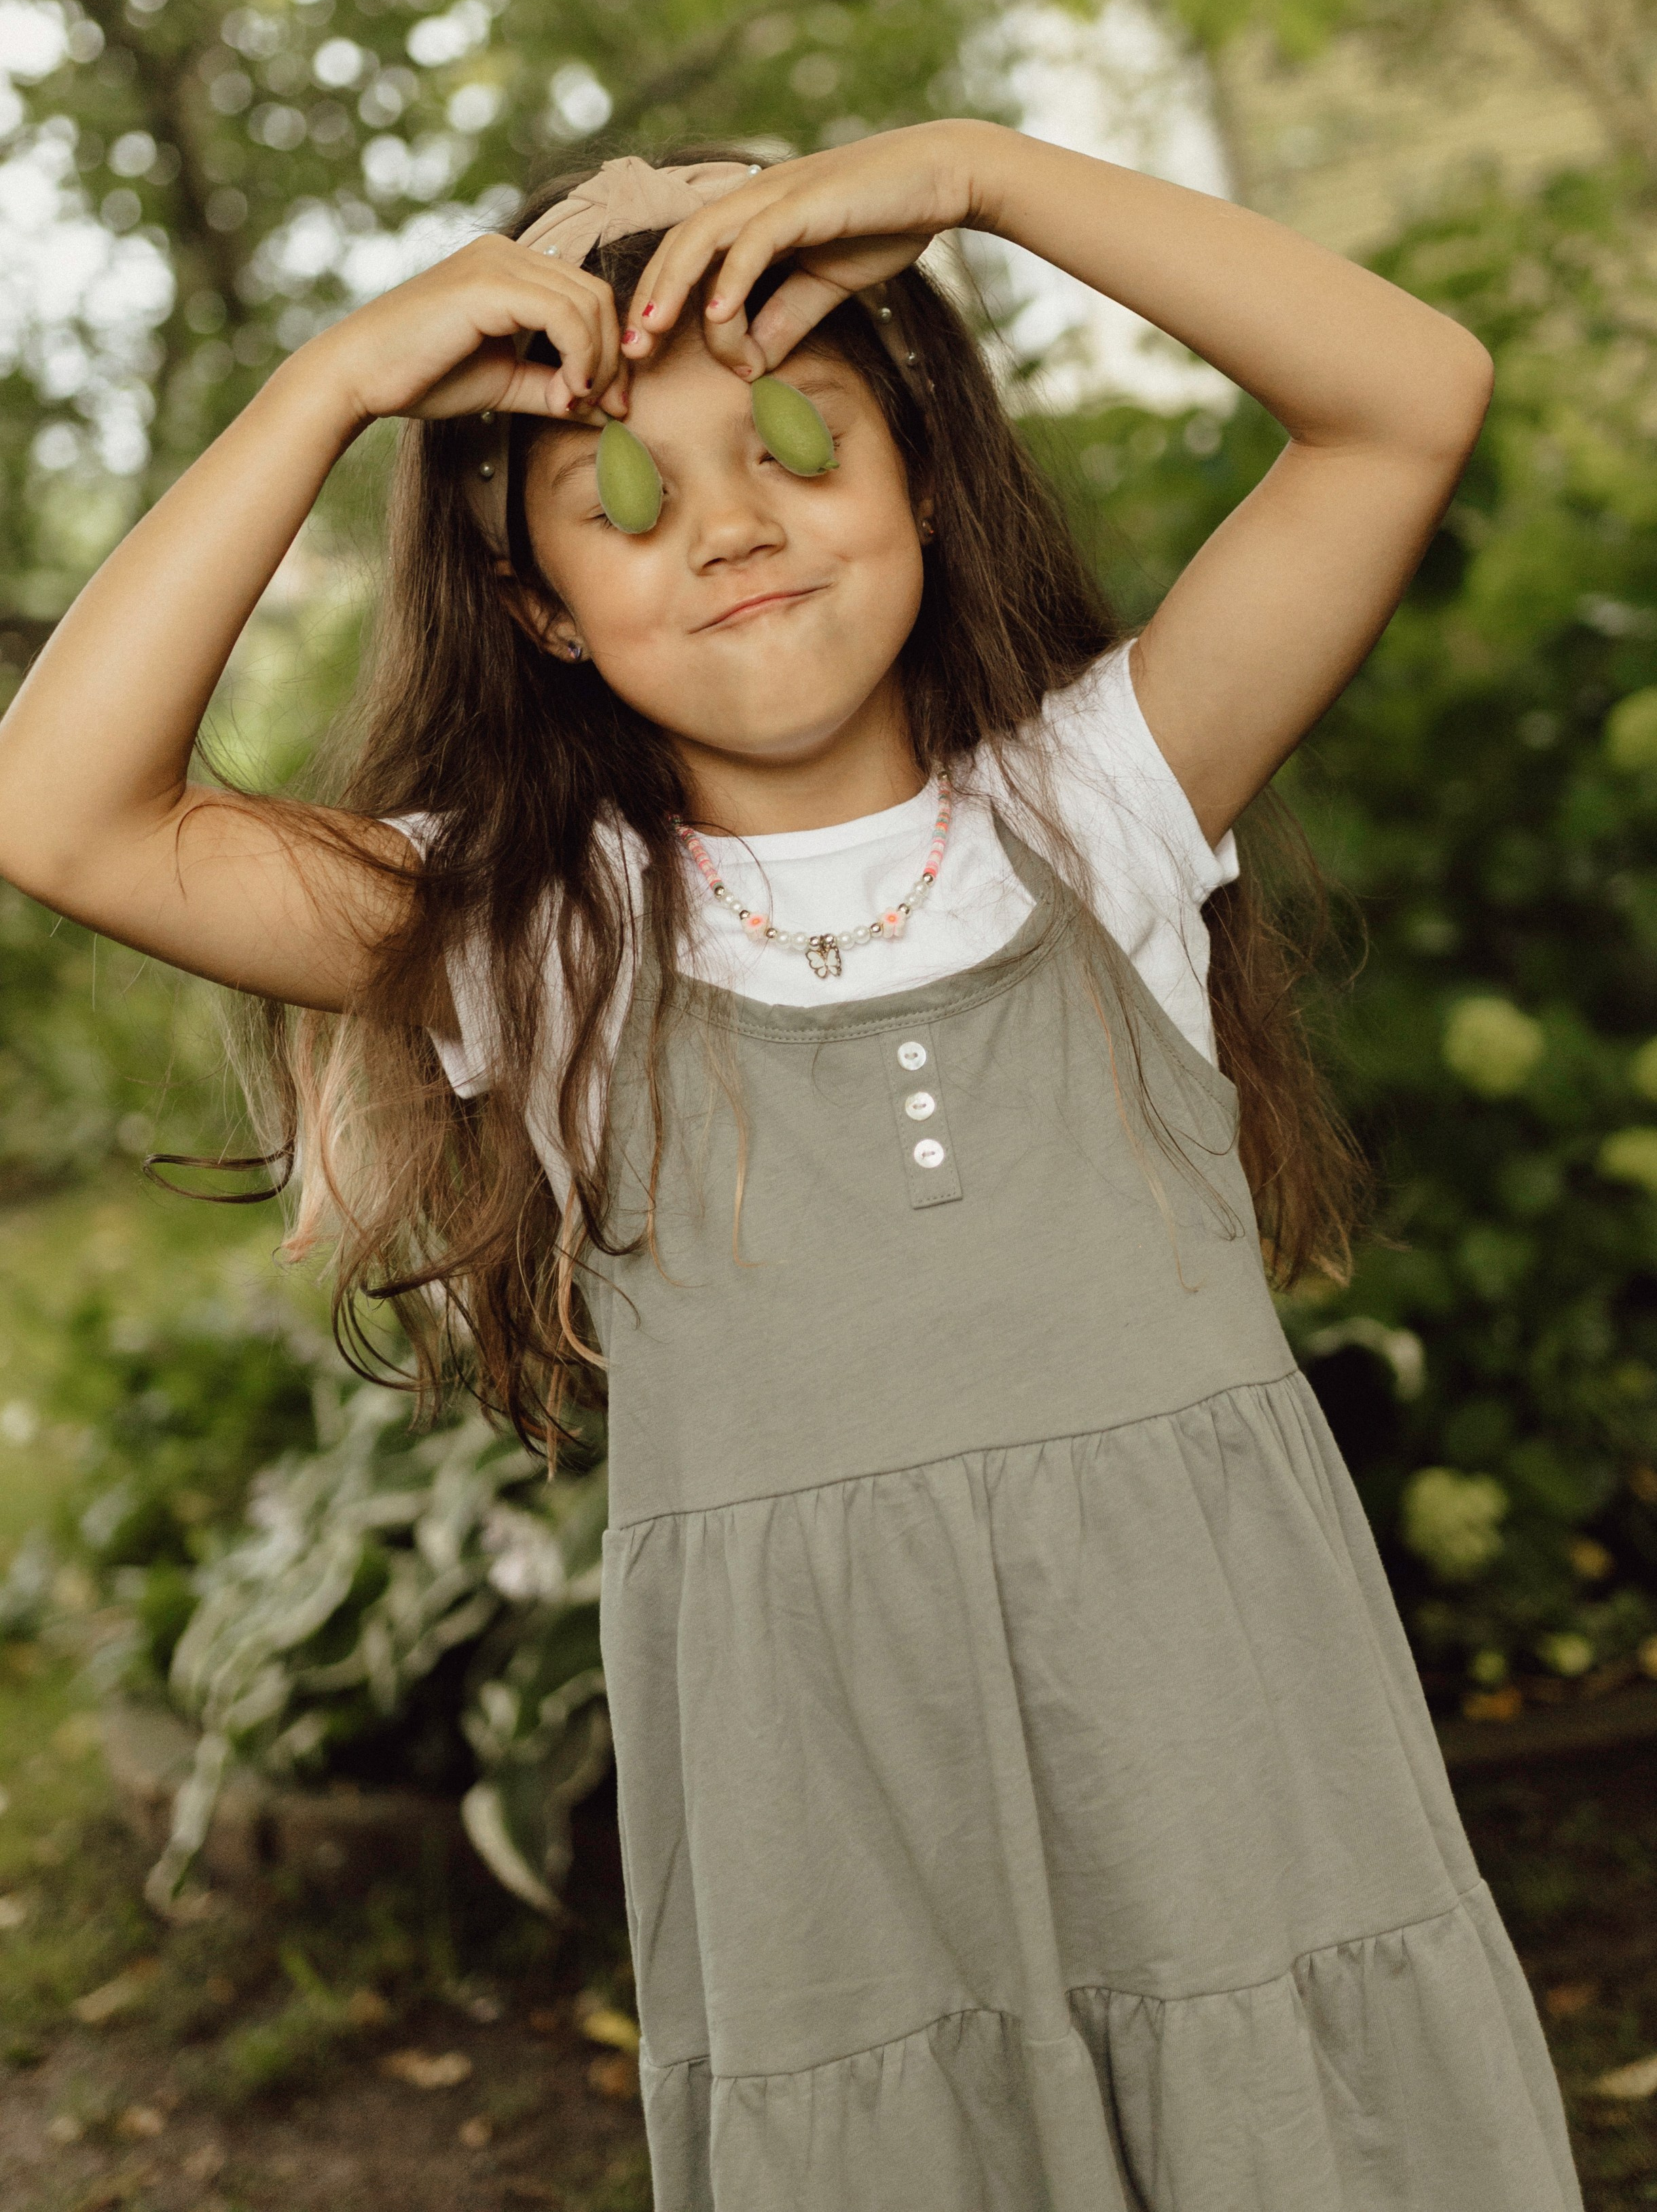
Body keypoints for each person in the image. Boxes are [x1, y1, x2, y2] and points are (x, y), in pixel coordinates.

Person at [0, 125, 1582, 2211]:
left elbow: (1405, 402)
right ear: (539, 610)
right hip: (833, 1798)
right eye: (627, 496)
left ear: (921, 474)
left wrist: (980, 176)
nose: (730, 525)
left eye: (800, 447)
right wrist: (333, 387)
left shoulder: (1104, 795)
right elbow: (65, 813)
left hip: (1226, 1731)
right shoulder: (531, 930)